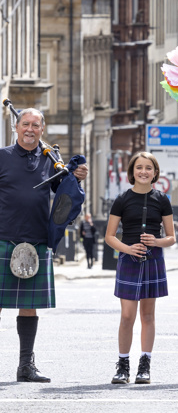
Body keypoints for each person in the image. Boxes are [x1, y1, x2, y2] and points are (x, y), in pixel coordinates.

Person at [0, 108, 88, 382]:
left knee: (29, 306)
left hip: (36, 238)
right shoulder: (1, 157)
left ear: (42, 128)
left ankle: (26, 366)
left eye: (35, 125)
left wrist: (76, 176)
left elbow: (66, 195)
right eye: (25, 124)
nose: (29, 129)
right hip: (2, 238)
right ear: (16, 128)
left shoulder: (52, 160)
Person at [105, 152, 175, 385]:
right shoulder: (122, 199)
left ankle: (144, 366)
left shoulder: (162, 199)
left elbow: (172, 237)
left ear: (155, 173)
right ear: (132, 172)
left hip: (153, 258)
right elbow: (109, 236)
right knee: (127, 316)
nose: (143, 172)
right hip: (129, 259)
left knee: (147, 315)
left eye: (148, 168)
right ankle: (123, 365)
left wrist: (157, 241)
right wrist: (126, 249)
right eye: (139, 168)